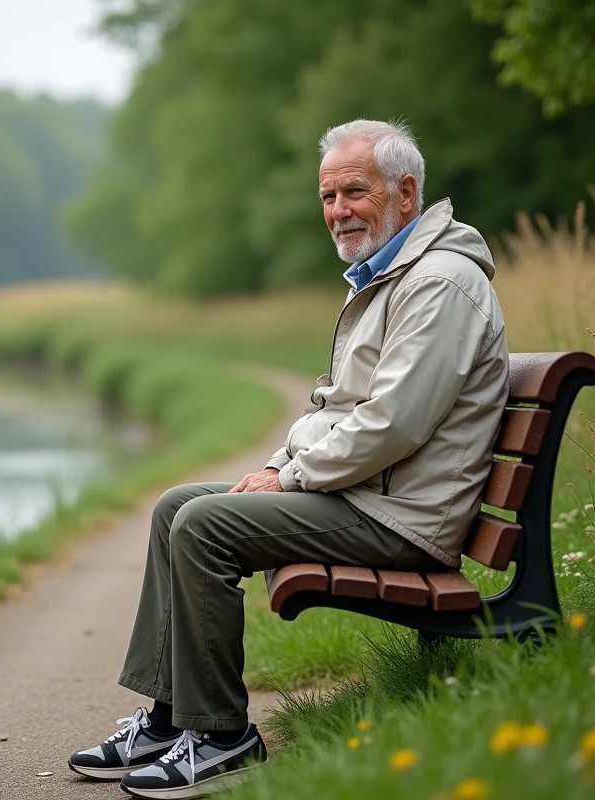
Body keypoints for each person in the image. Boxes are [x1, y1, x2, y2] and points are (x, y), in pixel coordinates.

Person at [67, 119, 510, 798]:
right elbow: (336, 407)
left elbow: (393, 424)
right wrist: (281, 464)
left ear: (406, 192)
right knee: (177, 506)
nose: (338, 212)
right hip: (370, 496)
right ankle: (164, 720)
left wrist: (290, 474)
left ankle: (222, 737)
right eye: (328, 197)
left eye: (353, 192)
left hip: (404, 517)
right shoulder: (388, 275)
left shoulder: (439, 283)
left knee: (206, 526)